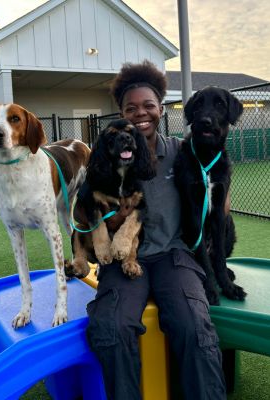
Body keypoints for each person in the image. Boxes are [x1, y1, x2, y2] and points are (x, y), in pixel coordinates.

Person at [85, 60, 227, 400]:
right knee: (112, 328)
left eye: (148, 105)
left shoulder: (181, 151)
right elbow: (85, 213)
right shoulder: (104, 157)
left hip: (173, 255)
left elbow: (216, 190)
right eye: (130, 108)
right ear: (120, 112)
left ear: (161, 108)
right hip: (123, 261)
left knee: (194, 327)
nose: (140, 114)